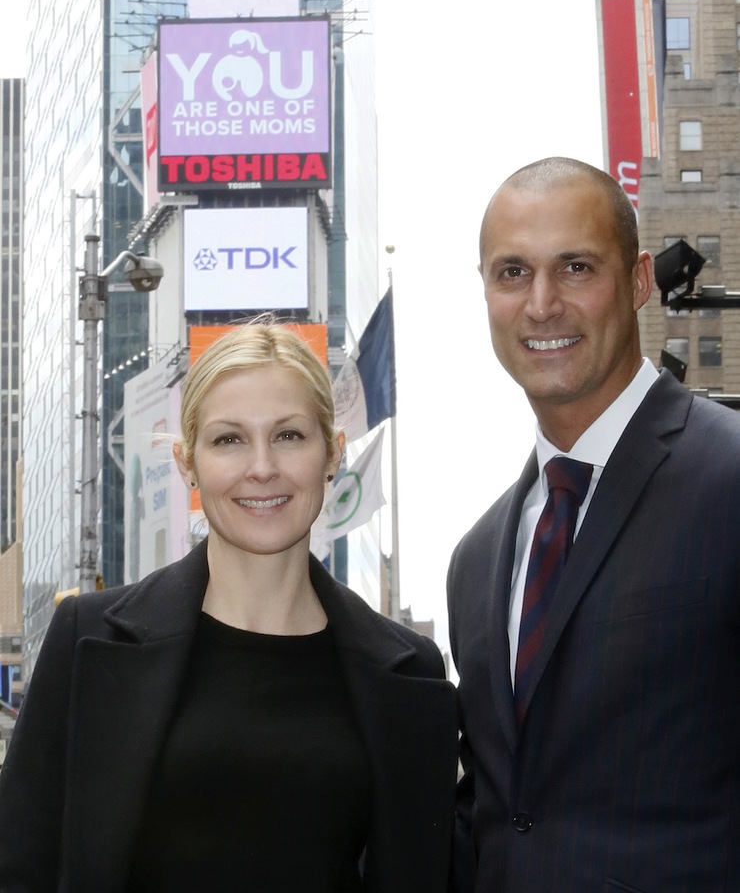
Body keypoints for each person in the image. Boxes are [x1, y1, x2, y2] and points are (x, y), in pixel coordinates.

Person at [0, 322, 458, 893]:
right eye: (229, 440)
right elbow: (22, 863)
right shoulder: (89, 640)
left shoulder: (409, 670)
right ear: (187, 462)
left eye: (290, 435)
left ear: (333, 453)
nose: (261, 467)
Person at [447, 157, 740, 893]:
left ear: (640, 280)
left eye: (575, 267)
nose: (542, 304)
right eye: (512, 273)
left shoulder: (730, 477)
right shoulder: (476, 561)